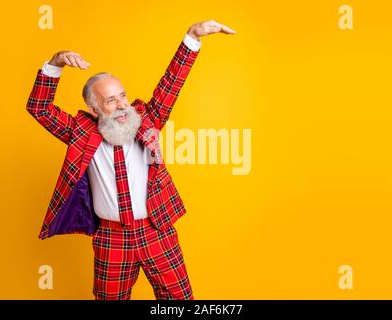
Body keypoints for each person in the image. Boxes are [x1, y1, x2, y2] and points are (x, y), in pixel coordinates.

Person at [26, 19, 235, 300]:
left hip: (156, 230)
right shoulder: (80, 132)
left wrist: (192, 37)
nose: (122, 104)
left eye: (122, 95)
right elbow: (38, 108)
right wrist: (56, 63)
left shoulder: (147, 118)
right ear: (94, 108)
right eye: (111, 100)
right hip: (112, 238)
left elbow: (171, 85)